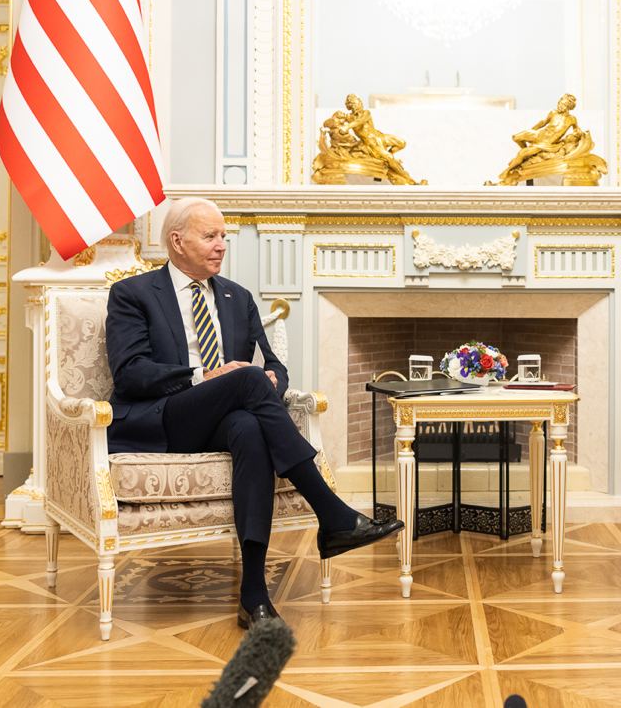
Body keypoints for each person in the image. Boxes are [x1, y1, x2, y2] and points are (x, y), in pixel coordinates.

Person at [105, 197, 403, 627]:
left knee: (248, 426)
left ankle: (254, 595)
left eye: (223, 236)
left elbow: (273, 365)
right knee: (244, 379)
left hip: (224, 420)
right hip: (163, 416)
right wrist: (204, 375)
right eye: (210, 236)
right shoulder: (133, 294)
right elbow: (130, 372)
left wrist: (272, 382)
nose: (221, 245)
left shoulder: (237, 297)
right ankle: (331, 512)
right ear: (177, 241)